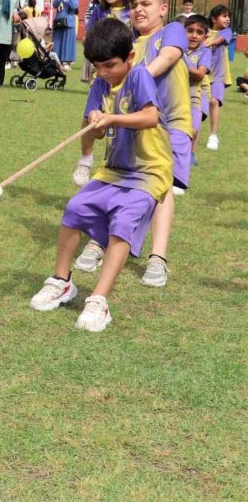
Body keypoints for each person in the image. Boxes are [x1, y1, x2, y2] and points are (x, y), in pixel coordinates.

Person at [28, 18, 172, 332]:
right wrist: (92, 125)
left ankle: (99, 300)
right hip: (114, 169)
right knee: (74, 209)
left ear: (130, 57)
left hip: (150, 171)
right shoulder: (98, 84)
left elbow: (150, 117)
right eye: (97, 66)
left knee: (122, 224)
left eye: (110, 65)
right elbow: (89, 128)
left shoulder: (139, 76)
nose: (104, 72)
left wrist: (112, 117)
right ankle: (62, 281)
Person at [75, 0, 190, 288]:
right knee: (120, 178)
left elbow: (166, 58)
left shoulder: (172, 31)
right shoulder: (128, 43)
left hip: (171, 123)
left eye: (146, 4)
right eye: (134, 5)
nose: (138, 10)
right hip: (130, 124)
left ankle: (158, 257)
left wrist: (130, 80)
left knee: (161, 185)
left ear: (163, 9)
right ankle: (99, 241)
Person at [72, 0, 135, 186]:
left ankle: (120, 168)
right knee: (91, 116)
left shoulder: (134, 11)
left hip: (128, 76)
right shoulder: (99, 10)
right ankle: (85, 159)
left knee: (123, 121)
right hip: (102, 76)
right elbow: (91, 36)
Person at [183, 14, 211, 163]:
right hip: (176, 94)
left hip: (195, 94)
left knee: (194, 128)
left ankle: (191, 153)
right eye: (190, 30)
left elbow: (200, 74)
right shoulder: (176, 48)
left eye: (199, 32)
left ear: (205, 37)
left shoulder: (204, 52)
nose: (194, 35)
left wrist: (181, 64)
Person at [204, 5, 232, 150]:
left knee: (214, 101)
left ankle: (213, 135)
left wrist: (209, 43)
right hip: (203, 75)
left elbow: (219, 40)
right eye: (224, 15)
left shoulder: (226, 32)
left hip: (219, 75)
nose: (227, 19)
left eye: (228, 16)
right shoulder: (204, 32)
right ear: (214, 19)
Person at [51, 0, 79, 70]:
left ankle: (67, 61)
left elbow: (74, 7)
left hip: (69, 23)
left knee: (67, 42)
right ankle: (56, 61)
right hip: (59, 22)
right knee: (57, 41)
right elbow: (54, 5)